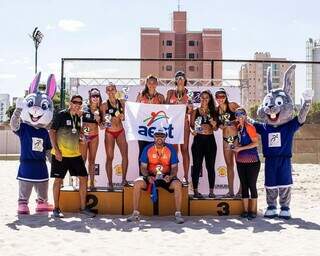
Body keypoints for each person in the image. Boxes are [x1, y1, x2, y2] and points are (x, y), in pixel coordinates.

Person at [49, 94, 95, 218]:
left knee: (84, 178)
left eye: (80, 103)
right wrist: (57, 150)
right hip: (61, 154)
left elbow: (77, 133)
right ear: (70, 102)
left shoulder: (78, 117)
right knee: (58, 180)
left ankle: (83, 208)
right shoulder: (61, 115)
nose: (77, 105)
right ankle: (56, 209)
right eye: (75, 102)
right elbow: (52, 132)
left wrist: (82, 138)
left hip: (75, 154)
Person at [127, 127, 184, 224]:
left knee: (178, 184)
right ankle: (135, 213)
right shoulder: (148, 148)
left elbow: (174, 168)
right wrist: (148, 177)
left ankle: (178, 214)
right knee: (137, 183)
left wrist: (170, 176)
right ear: (153, 137)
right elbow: (143, 167)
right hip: (151, 177)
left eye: (162, 136)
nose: (159, 138)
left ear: (165, 137)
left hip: (166, 177)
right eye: (157, 135)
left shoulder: (170, 148)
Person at [232, 107, 260, 219]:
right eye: (237, 114)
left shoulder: (250, 127)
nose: (239, 116)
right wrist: (235, 146)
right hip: (240, 161)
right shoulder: (239, 128)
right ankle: (245, 211)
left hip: (252, 161)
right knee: (244, 186)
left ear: (245, 115)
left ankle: (253, 211)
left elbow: (256, 143)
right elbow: (240, 144)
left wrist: (240, 149)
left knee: (252, 185)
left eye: (242, 114)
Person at [190, 90, 218, 198]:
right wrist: (193, 131)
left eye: (207, 97)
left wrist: (214, 124)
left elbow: (215, 129)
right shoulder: (195, 111)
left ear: (210, 99)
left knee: (210, 166)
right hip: (198, 141)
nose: (204, 99)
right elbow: (192, 126)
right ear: (199, 98)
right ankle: (196, 191)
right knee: (197, 166)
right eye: (202, 97)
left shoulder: (214, 111)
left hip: (210, 141)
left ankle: (211, 191)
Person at [166, 71, 193, 185]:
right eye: (178, 77)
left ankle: (186, 177)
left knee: (185, 150)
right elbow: (165, 107)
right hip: (173, 124)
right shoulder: (170, 92)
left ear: (185, 80)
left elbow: (191, 111)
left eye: (182, 77)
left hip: (184, 124)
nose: (180, 79)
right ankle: (174, 175)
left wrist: (189, 108)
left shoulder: (189, 93)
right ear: (175, 80)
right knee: (174, 151)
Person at [101, 83, 128, 189]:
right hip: (110, 133)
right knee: (109, 157)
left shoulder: (121, 102)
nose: (111, 91)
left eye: (113, 89)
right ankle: (110, 182)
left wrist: (122, 116)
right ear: (106, 92)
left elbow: (124, 118)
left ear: (116, 90)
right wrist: (105, 122)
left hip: (120, 131)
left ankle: (124, 179)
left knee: (125, 155)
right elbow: (103, 122)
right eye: (109, 89)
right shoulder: (104, 105)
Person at [215, 87, 240, 198]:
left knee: (240, 165)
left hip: (236, 138)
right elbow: (216, 126)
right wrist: (222, 125)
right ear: (216, 98)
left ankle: (241, 190)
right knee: (229, 165)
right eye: (218, 96)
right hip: (226, 139)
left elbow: (243, 115)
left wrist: (233, 122)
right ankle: (231, 192)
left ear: (226, 97)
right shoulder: (216, 110)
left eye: (222, 96)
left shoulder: (232, 105)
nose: (220, 98)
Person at [136, 75, 165, 170]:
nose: (151, 85)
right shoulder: (141, 95)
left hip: (155, 130)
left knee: (156, 152)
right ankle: (142, 176)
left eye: (153, 82)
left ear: (156, 84)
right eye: (149, 82)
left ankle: (154, 174)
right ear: (146, 84)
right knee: (142, 151)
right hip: (143, 129)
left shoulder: (160, 97)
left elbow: (165, 112)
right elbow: (135, 110)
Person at [79, 88, 102, 190]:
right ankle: (80, 183)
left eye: (97, 96)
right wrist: (80, 134)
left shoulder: (100, 110)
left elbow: (102, 127)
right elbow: (76, 121)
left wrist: (99, 120)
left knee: (92, 160)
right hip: (84, 136)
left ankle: (92, 184)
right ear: (90, 97)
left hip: (94, 137)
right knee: (82, 160)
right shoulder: (84, 108)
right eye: (93, 96)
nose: (95, 98)